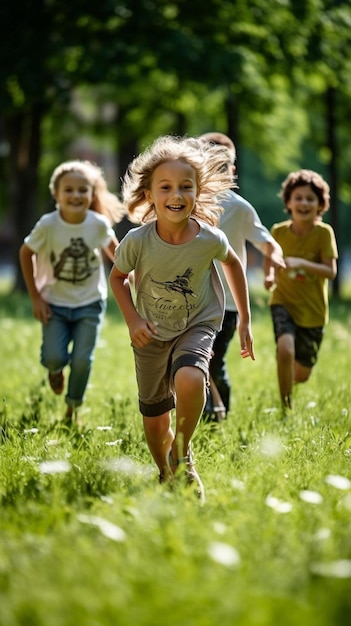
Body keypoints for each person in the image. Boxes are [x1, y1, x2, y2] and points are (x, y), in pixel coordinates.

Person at [109, 135, 255, 502]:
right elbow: (117, 278)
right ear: (150, 195)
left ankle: (184, 452)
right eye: (166, 187)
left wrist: (245, 320)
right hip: (151, 332)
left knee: (191, 376)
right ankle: (166, 471)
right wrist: (133, 321)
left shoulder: (209, 238)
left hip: (198, 323)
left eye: (185, 187)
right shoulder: (137, 241)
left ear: (198, 191)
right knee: (156, 420)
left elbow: (234, 264)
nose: (176, 194)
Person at [19, 160, 124, 424]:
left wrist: (132, 276)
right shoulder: (48, 225)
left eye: (82, 190)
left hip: (90, 303)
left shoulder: (97, 224)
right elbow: (25, 252)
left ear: (91, 195)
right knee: (54, 357)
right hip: (54, 303)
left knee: (82, 361)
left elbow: (118, 255)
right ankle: (55, 371)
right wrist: (35, 297)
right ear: (56, 194)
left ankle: (72, 409)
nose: (75, 195)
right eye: (69, 190)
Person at [199, 132, 285, 421]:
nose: (217, 170)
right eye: (210, 163)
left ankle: (219, 413)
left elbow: (267, 241)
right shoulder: (186, 202)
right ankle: (207, 409)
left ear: (233, 170)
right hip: (192, 298)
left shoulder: (239, 207)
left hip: (228, 302)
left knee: (214, 360)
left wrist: (274, 263)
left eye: (224, 165)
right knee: (195, 357)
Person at [263, 169, 338, 410]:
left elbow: (330, 271)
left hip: (313, 311)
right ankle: (286, 406)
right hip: (283, 300)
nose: (304, 203)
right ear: (288, 202)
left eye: (310, 198)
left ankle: (288, 384)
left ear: (320, 205)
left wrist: (302, 263)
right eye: (298, 197)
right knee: (284, 349)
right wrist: (269, 275)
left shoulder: (324, 233)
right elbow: (269, 258)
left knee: (302, 374)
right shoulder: (278, 232)